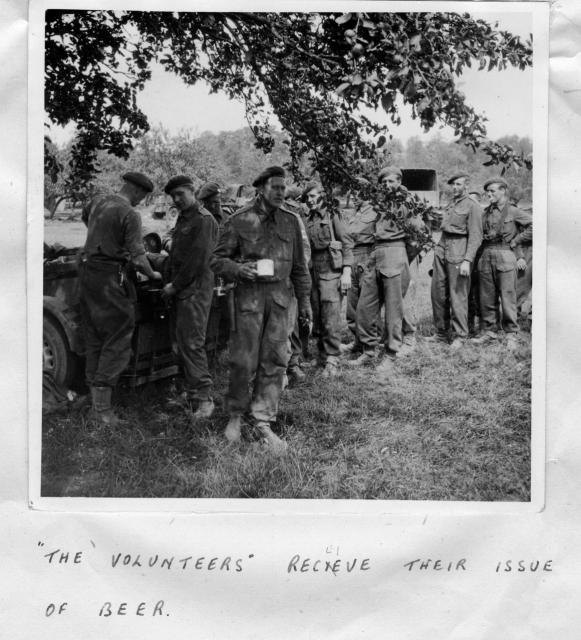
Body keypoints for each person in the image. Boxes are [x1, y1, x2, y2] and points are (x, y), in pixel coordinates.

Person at [210, 166, 312, 453]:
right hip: (249, 300)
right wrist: (239, 269)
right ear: (261, 189)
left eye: (283, 187)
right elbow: (216, 260)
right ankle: (235, 416)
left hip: (281, 301)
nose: (281, 192)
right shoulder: (239, 220)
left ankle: (263, 420)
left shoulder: (291, 221)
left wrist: (304, 302)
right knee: (243, 361)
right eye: (275, 187)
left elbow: (300, 267)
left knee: (275, 361)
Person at [79, 172, 162, 426]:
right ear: (137, 191)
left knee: (95, 335)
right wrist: (153, 272)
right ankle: (102, 411)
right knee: (118, 335)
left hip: (88, 272)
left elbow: (86, 219)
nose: (141, 201)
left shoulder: (98, 202)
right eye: (143, 196)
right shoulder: (130, 214)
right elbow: (138, 257)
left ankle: (93, 398)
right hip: (111, 278)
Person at [349, 167, 424, 373]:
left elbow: (419, 236)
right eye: (384, 183)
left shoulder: (407, 202)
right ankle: (369, 349)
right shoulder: (381, 204)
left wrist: (402, 259)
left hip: (395, 252)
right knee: (365, 306)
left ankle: (391, 353)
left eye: (391, 182)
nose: (387, 186)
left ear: (399, 181)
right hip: (376, 253)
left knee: (393, 311)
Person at [162, 175, 219, 420]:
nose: (177, 200)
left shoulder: (203, 220)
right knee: (182, 343)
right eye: (173, 196)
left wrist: (174, 286)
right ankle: (191, 391)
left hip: (194, 291)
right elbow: (177, 254)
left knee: (193, 344)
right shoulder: (184, 218)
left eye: (180, 195)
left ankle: (205, 400)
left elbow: (198, 259)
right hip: (183, 291)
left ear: (192, 191)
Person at [472, 178, 532, 349]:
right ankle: (489, 331)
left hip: (506, 254)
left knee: (507, 296)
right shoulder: (485, 213)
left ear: (503, 191)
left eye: (492, 191)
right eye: (487, 192)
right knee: (486, 296)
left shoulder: (513, 211)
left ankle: (511, 333)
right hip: (486, 255)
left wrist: (516, 241)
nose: (488, 194)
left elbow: (534, 225)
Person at [427, 172, 483, 347]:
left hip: (459, 249)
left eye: (459, 184)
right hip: (442, 246)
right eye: (453, 185)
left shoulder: (473, 206)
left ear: (467, 186)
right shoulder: (451, 203)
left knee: (458, 294)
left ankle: (460, 335)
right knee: (438, 293)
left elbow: (476, 236)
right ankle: (441, 333)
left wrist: (467, 260)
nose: (455, 188)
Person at [303, 182, 353, 377]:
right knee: (317, 313)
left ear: (323, 196)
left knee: (331, 314)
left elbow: (347, 244)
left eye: (313, 196)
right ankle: (322, 355)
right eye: (307, 197)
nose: (310, 200)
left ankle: (333, 358)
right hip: (313, 270)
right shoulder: (307, 219)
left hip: (331, 270)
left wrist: (347, 271)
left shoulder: (334, 214)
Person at [343, 192, 379, 354]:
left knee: (367, 305)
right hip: (352, 256)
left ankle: (371, 344)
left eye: (359, 192)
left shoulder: (376, 211)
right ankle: (357, 341)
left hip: (367, 256)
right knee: (352, 303)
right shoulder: (352, 213)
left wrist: (371, 259)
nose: (356, 196)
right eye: (353, 193)